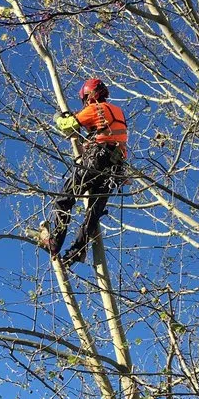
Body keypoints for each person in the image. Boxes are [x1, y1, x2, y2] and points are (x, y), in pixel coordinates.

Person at [40, 78, 127, 267]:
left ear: (90, 95)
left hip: (97, 161)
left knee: (63, 199)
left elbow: (68, 126)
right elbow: (100, 130)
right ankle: (77, 252)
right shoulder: (117, 112)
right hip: (114, 169)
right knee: (92, 215)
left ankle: (55, 242)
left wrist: (59, 117)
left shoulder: (95, 108)